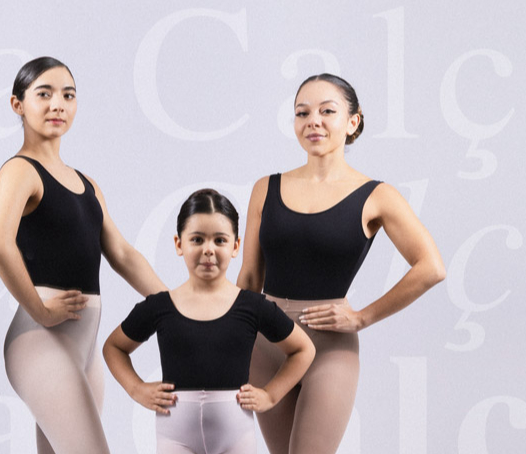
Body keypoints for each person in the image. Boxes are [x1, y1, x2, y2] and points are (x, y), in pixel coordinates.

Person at [236, 73, 446, 454]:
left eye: (327, 111)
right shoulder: (265, 188)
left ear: (353, 121)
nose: (312, 121)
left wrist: (362, 317)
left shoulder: (377, 196)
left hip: (329, 348)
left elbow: (431, 267)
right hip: (265, 345)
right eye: (302, 113)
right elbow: (249, 278)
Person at [0, 56, 168, 454]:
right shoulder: (21, 170)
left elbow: (122, 254)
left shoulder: (87, 183)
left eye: (68, 95)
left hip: (83, 346)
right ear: (18, 104)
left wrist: (174, 305)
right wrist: (40, 310)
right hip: (40, 341)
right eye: (44, 94)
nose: (58, 105)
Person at [104, 189, 316, 454]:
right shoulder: (159, 306)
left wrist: (271, 395)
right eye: (197, 239)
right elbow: (114, 347)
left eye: (219, 240)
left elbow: (303, 349)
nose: (208, 250)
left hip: (236, 438)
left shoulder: (252, 305)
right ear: (179, 244)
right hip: (175, 439)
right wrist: (136, 389)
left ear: (235, 246)